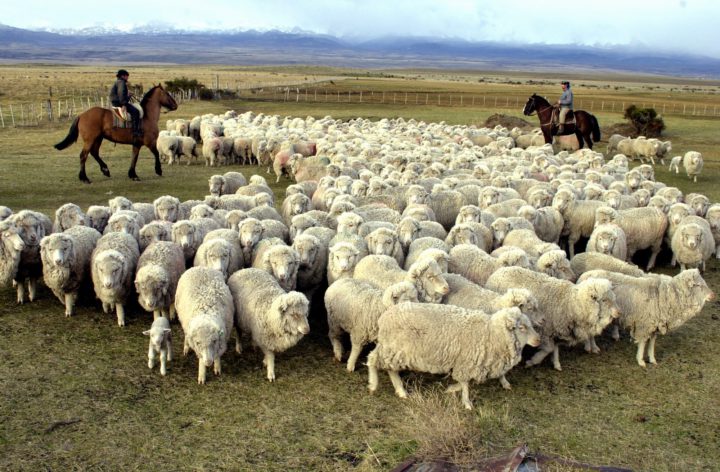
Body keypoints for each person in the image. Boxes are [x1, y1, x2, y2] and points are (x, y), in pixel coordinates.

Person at [109, 69, 142, 137]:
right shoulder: (121, 83)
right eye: (127, 76)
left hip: (116, 101)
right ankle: (135, 131)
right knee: (136, 112)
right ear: (123, 76)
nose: (127, 78)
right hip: (119, 102)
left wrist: (128, 95)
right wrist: (124, 104)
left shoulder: (118, 82)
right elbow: (121, 95)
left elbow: (121, 94)